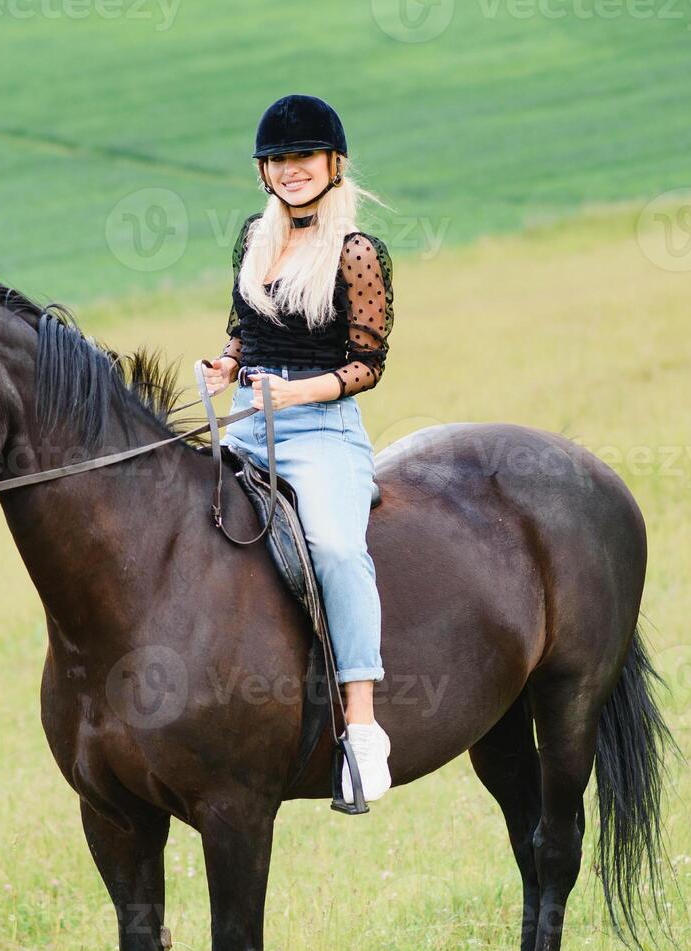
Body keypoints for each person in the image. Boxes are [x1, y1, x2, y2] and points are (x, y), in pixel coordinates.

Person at [201, 94, 395, 805]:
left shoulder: (356, 253)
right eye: (279, 161)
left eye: (303, 158)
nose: (291, 171)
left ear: (332, 163)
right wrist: (226, 367)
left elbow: (366, 365)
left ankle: (364, 730)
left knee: (339, 551)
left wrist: (297, 392)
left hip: (321, 434)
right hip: (249, 424)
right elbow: (244, 333)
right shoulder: (255, 236)